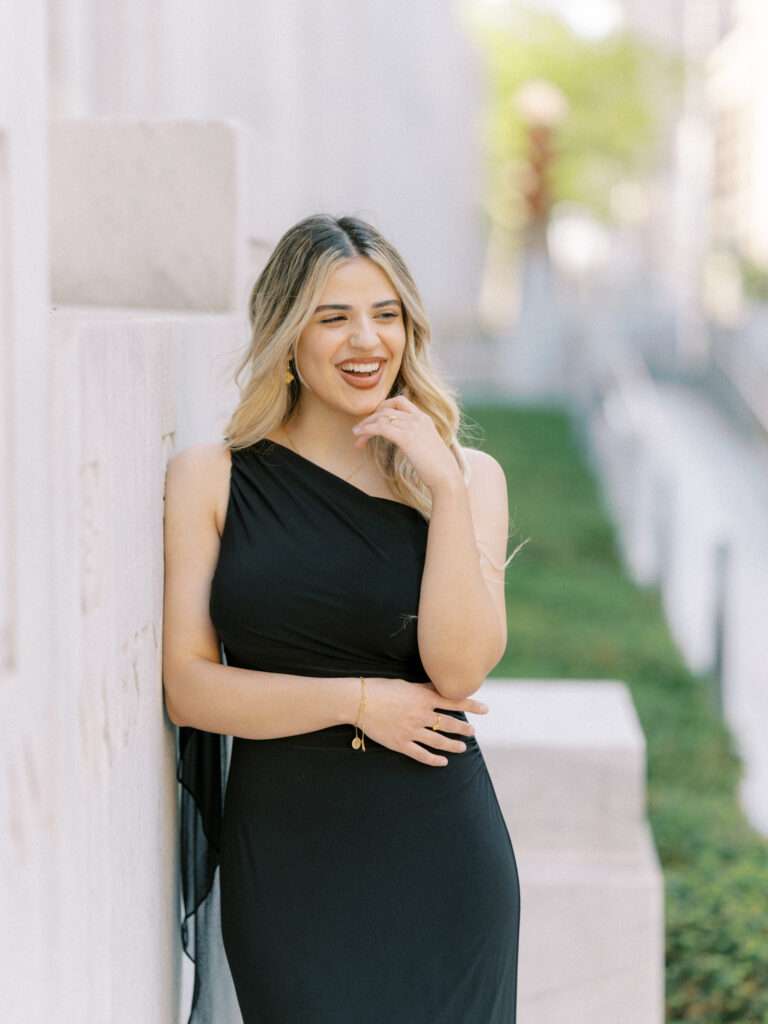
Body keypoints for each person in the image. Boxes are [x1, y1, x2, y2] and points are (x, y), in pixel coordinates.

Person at [162, 213, 521, 1023]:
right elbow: (189, 687)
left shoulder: (467, 478)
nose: (368, 340)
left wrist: (447, 489)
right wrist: (359, 700)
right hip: (289, 862)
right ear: (288, 334)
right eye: (334, 317)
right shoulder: (211, 479)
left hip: (442, 858)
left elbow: (459, 671)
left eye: (386, 314)